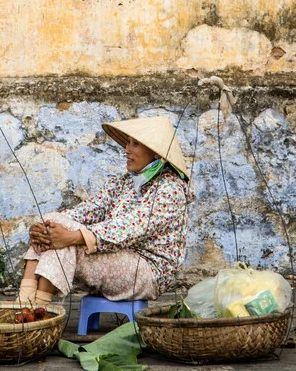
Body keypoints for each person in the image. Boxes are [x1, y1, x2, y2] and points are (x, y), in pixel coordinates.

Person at [18, 116, 192, 306]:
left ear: (156, 153)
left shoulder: (170, 189)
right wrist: (45, 227)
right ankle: (29, 305)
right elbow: (89, 209)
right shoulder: (125, 182)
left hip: (146, 272)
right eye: (127, 143)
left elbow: (129, 229)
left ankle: (34, 309)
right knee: (54, 226)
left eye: (135, 144)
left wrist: (73, 237)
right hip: (115, 257)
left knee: (65, 242)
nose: (127, 150)